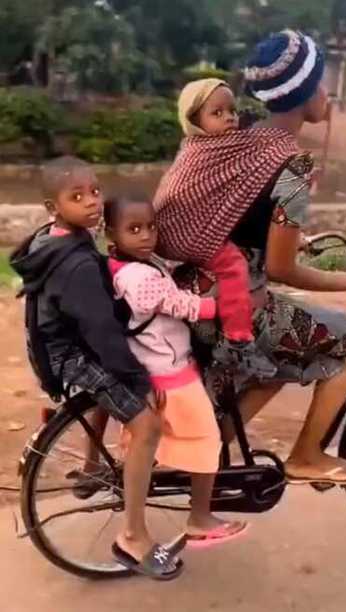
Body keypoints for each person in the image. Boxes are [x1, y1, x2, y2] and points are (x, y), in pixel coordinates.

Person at [154, 30, 346, 485]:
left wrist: (294, 237)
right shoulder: (293, 166)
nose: (327, 92)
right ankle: (307, 455)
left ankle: (203, 459)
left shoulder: (237, 138)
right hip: (237, 303)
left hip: (191, 286)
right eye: (322, 81)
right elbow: (280, 268)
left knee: (280, 366)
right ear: (306, 91)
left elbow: (234, 218)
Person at [10, 157, 181, 579]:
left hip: (56, 344)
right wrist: (138, 382)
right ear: (54, 208)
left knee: (117, 387)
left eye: (95, 192)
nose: (91, 203)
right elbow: (102, 331)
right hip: (74, 353)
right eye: (77, 197)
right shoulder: (78, 264)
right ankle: (134, 536)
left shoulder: (56, 239)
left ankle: (91, 466)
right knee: (146, 424)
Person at [105, 196, 248, 547]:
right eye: (134, 229)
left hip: (159, 364)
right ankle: (199, 516)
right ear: (111, 234)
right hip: (170, 372)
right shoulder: (138, 277)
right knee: (206, 439)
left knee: (172, 435)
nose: (146, 236)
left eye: (151, 227)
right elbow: (178, 303)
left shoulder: (132, 263)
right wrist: (223, 306)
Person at [168, 78, 278, 379]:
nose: (230, 118)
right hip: (191, 233)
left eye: (232, 111)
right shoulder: (208, 152)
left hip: (189, 231)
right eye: (217, 113)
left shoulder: (211, 149)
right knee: (233, 266)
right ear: (194, 121)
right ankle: (238, 339)